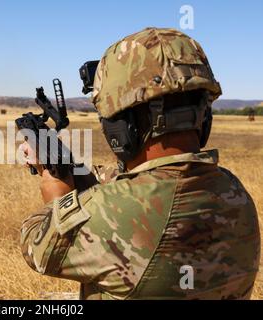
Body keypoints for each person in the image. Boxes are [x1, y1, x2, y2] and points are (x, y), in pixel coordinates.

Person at [19, 27, 260, 300]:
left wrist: (53, 181)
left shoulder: (110, 217)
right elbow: (140, 189)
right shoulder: (235, 193)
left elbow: (36, 244)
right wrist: (68, 164)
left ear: (122, 126)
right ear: (204, 116)